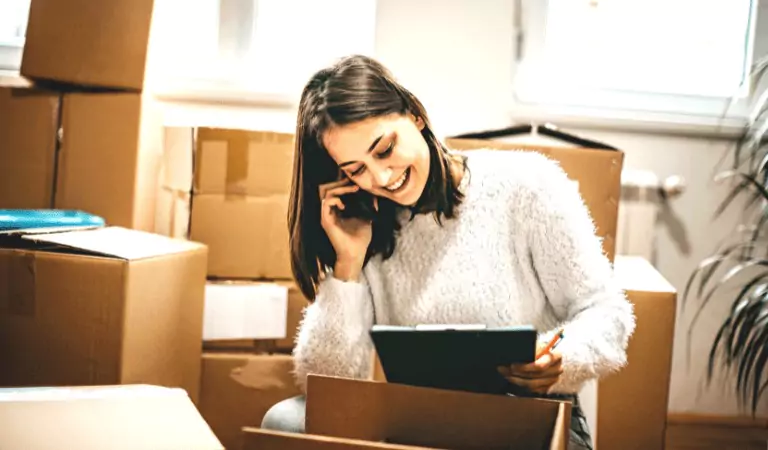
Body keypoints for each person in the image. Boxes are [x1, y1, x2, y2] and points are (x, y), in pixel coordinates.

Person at [261, 54, 635, 450]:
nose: (382, 178)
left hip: (530, 415)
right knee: (284, 421)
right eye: (356, 170)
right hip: (423, 418)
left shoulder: (527, 184)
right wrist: (348, 265)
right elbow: (328, 386)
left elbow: (607, 312)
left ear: (414, 115)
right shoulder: (368, 223)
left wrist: (561, 358)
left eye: (385, 149)